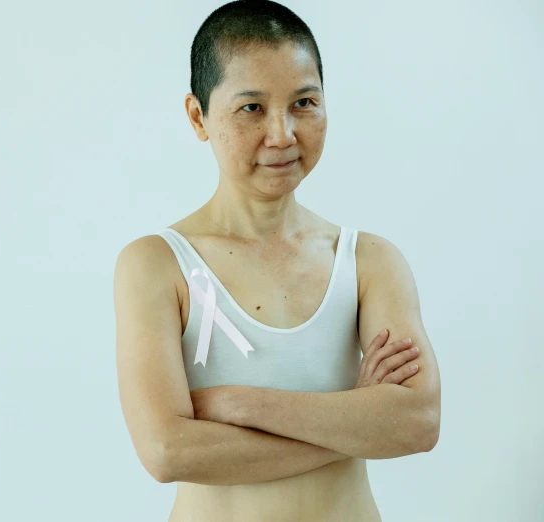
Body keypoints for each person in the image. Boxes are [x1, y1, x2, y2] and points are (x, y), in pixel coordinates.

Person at [113, 1, 441, 521]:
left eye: (304, 102)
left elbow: (418, 422)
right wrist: (356, 421)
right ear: (199, 116)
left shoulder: (369, 262)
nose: (283, 134)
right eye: (252, 108)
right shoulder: (156, 265)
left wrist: (241, 405)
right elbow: (167, 451)